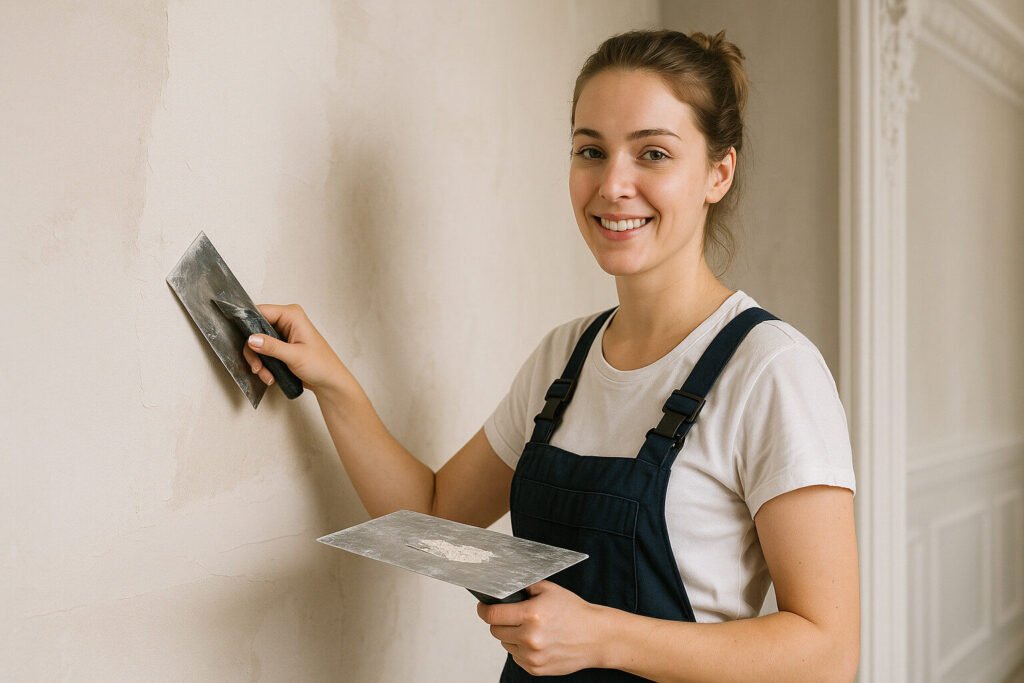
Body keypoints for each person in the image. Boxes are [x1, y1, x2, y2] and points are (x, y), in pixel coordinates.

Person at [242, 28, 859, 682]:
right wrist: (331, 381)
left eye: (652, 153)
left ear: (718, 172)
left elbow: (829, 654)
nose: (613, 184)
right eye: (591, 150)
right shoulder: (564, 358)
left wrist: (603, 638)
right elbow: (433, 515)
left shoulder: (771, 370)